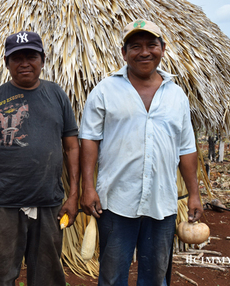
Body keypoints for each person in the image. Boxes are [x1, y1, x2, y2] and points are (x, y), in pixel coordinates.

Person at [79, 19, 203, 286]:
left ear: (163, 48)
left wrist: (194, 193)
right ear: (124, 53)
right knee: (112, 276)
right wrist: (88, 187)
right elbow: (89, 140)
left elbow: (187, 148)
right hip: (116, 201)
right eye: (135, 46)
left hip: (162, 202)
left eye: (151, 45)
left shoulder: (177, 95)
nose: (144, 52)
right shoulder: (104, 91)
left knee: (156, 277)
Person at [0, 31, 80, 285]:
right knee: (0, 276)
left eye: (31, 56)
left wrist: (73, 196)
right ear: (7, 63)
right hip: (3, 205)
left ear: (42, 59)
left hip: (48, 203)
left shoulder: (57, 95)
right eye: (16, 58)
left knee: (48, 276)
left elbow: (72, 147)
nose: (25, 63)